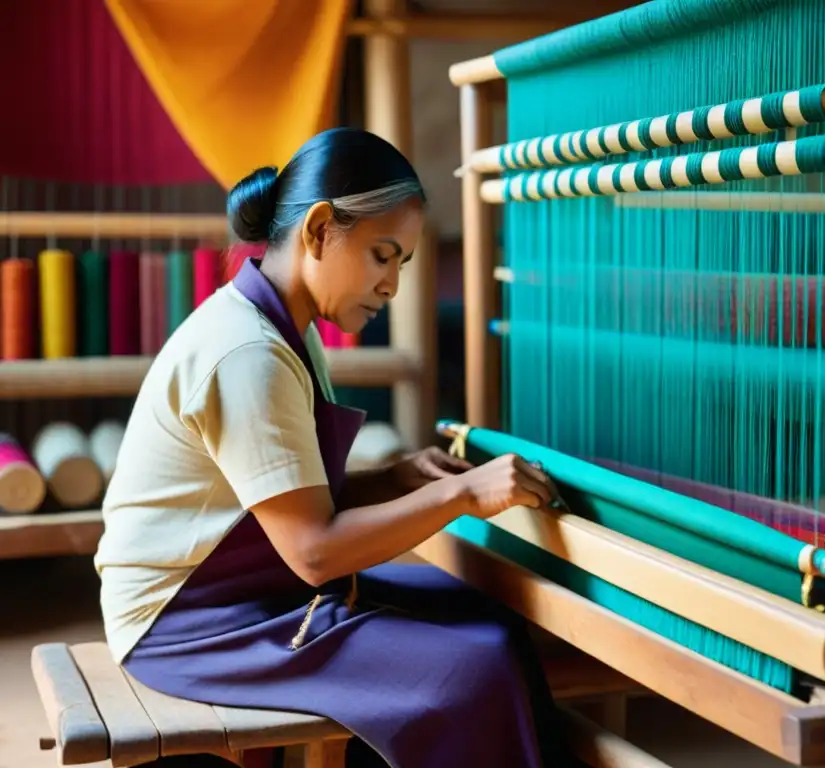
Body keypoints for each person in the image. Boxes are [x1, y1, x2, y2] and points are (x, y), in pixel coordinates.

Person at [94, 127, 576, 767]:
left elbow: (301, 502)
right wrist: (460, 494)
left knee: (489, 622)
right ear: (320, 229)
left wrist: (402, 476)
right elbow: (316, 553)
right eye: (382, 255)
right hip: (185, 621)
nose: (391, 286)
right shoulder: (247, 353)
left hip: (241, 593)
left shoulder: (282, 329)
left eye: (400, 264)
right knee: (471, 669)